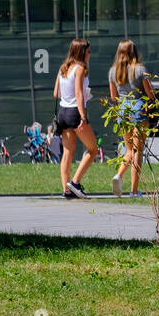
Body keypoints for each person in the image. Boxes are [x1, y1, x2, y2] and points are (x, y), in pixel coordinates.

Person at [109, 39, 155, 198]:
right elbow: (150, 93)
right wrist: (155, 101)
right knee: (137, 152)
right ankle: (134, 191)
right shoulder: (141, 69)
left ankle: (119, 175)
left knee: (129, 150)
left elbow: (113, 97)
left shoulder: (113, 71)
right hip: (139, 110)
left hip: (123, 111)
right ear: (134, 51)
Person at [54, 38, 97, 199]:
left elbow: (56, 93)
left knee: (67, 152)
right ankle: (75, 182)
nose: (90, 54)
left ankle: (66, 190)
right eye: (88, 51)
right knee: (92, 149)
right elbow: (79, 94)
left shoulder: (63, 68)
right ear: (81, 52)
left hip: (63, 112)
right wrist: (83, 116)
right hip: (75, 113)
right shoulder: (79, 69)